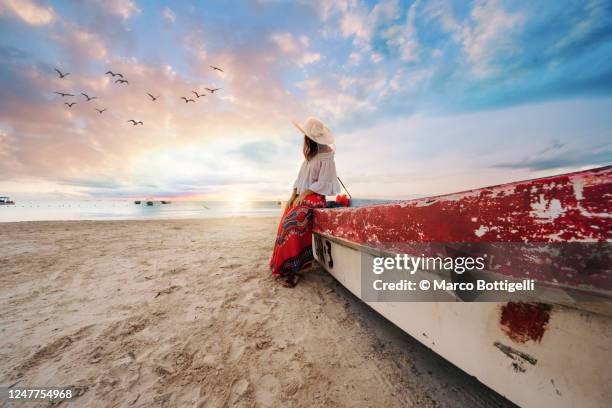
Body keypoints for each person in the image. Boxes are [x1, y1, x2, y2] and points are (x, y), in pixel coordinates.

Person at [270, 117, 341, 287]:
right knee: (285, 217)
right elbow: (299, 179)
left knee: (293, 222)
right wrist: (292, 196)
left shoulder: (327, 156)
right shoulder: (309, 157)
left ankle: (295, 270)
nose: (305, 140)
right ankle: (284, 265)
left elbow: (324, 182)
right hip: (303, 196)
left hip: (315, 197)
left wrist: (307, 193)